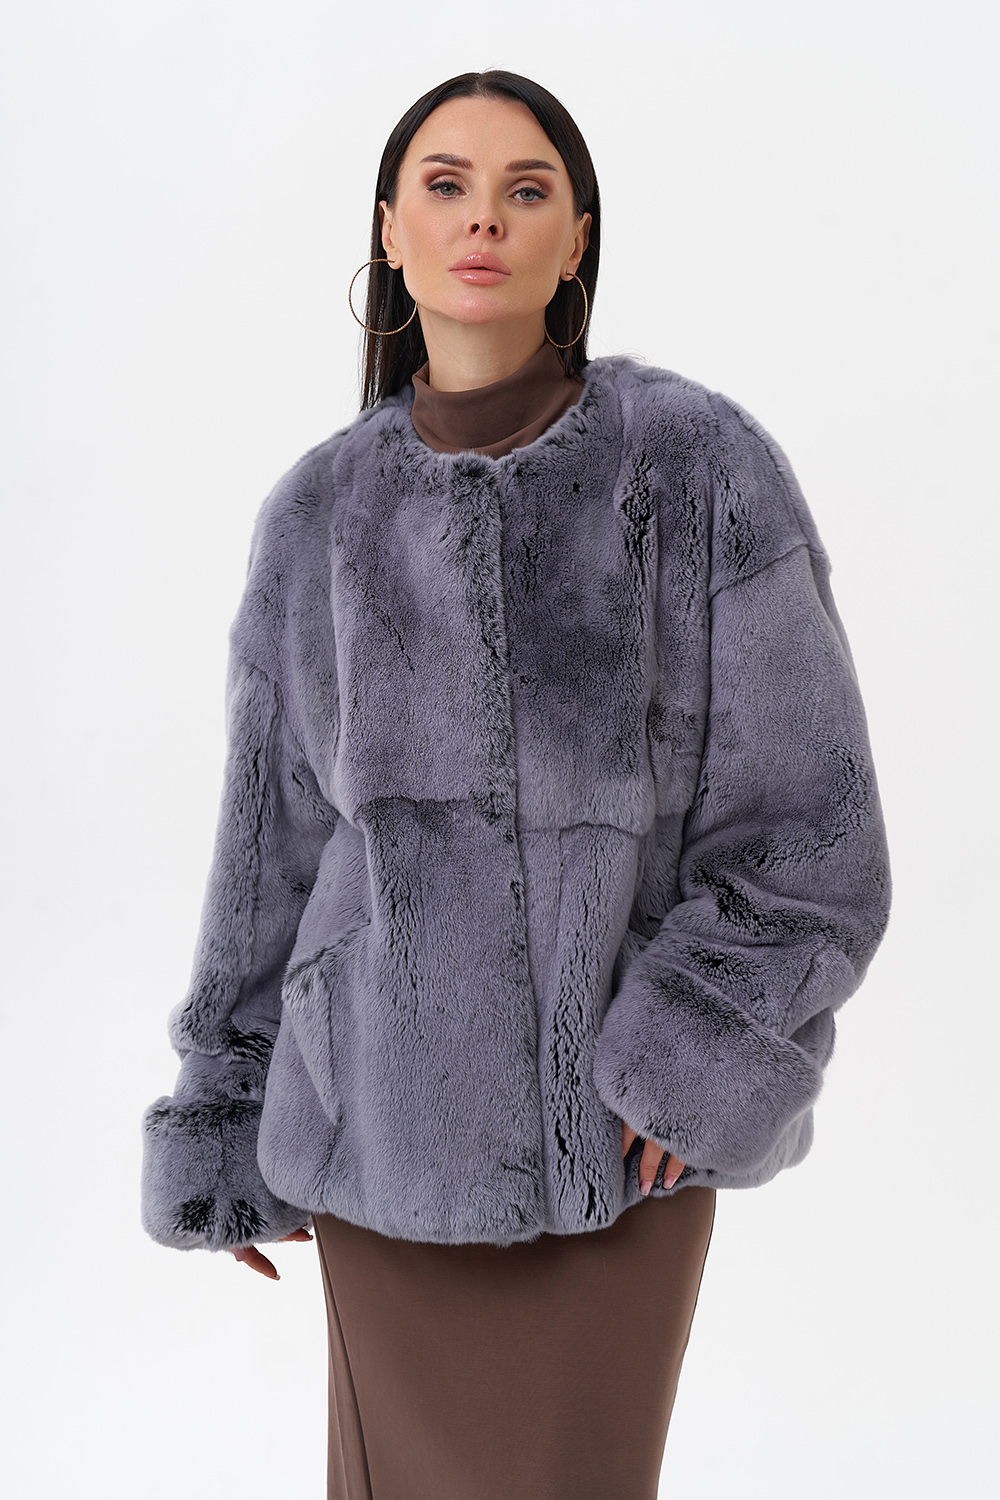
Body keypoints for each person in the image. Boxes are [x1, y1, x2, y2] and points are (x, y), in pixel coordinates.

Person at [140, 69, 892, 1500]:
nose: (482, 218)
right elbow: (268, 850)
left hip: (610, 1152)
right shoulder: (317, 514)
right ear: (390, 230)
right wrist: (226, 1107)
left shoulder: (696, 468)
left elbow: (811, 828)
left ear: (576, 238)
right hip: (372, 1141)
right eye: (446, 185)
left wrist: (691, 1055)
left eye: (525, 189)